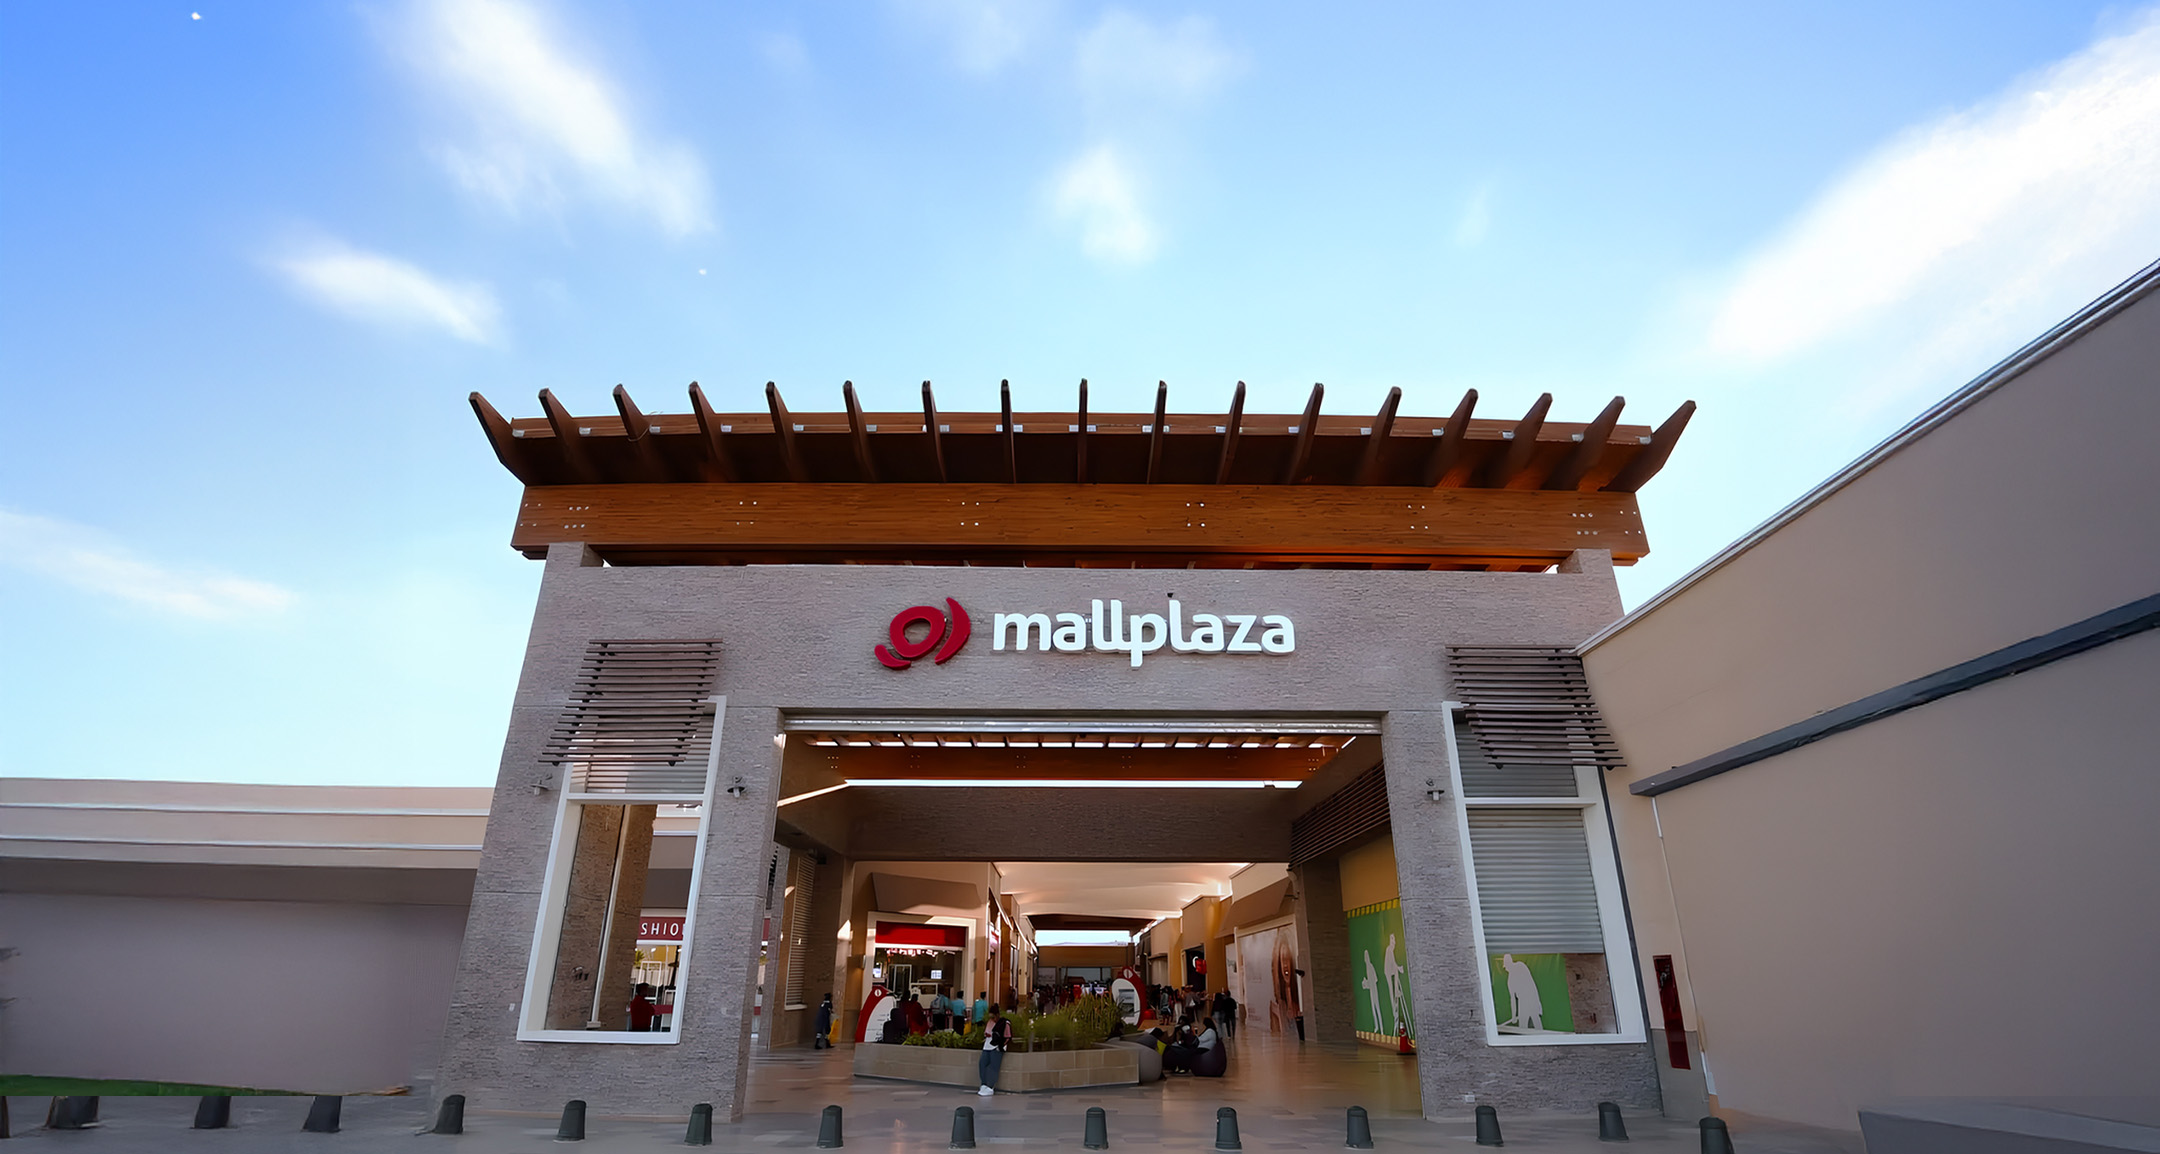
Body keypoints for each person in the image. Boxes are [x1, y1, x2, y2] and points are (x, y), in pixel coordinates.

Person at [977, 1005, 1012, 1096]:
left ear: (997, 1015)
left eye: (993, 1017)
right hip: (987, 1045)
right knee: (982, 1064)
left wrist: (1002, 1045)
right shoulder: (990, 1022)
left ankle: (990, 1086)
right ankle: (984, 1084)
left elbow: (1007, 1036)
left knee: (994, 1067)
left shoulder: (1004, 1023)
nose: (992, 1019)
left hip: (996, 1047)